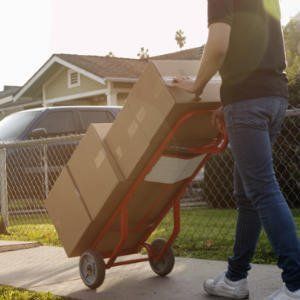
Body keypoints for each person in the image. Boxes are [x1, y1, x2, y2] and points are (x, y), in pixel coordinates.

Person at [173, 0, 300, 299]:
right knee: (248, 195)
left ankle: (296, 283)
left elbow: (218, 45)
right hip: (273, 97)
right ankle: (235, 278)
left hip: (249, 102)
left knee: (262, 190)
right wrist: (227, 102)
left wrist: (197, 85)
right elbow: (257, 48)